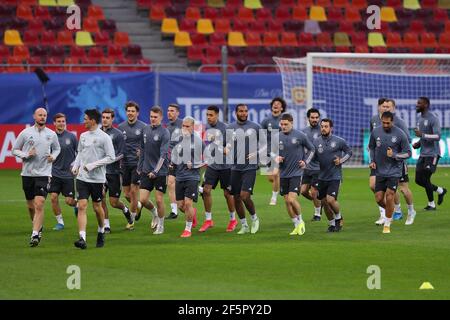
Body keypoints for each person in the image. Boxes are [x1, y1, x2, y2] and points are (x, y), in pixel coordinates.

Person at [12, 107, 60, 247]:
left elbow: (57, 148)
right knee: (31, 206)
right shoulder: (25, 133)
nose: (42, 117)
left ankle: (35, 234)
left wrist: (54, 156)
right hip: (27, 174)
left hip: (44, 174)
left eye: (44, 115)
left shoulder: (51, 134)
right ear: (34, 116)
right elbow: (14, 149)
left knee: (39, 203)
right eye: (40, 115)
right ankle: (37, 226)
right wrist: (26, 155)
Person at [72, 109, 115, 249]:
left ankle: (101, 230)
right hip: (82, 178)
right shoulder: (83, 136)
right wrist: (76, 165)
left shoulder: (104, 137)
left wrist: (93, 165)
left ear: (92, 120)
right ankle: (82, 238)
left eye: (85, 119)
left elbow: (111, 157)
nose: (83, 121)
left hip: (97, 179)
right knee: (82, 206)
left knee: (97, 208)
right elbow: (80, 152)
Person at [369, 111, 411, 234]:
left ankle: (387, 223)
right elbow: (371, 147)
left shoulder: (400, 134)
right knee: (378, 198)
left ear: (392, 121)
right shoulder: (376, 131)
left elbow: (408, 153)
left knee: (390, 195)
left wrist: (394, 155)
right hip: (380, 171)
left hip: (394, 171)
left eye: (388, 123)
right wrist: (372, 160)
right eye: (384, 123)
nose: (386, 125)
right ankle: (390, 212)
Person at [273, 113, 315, 236]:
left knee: (291, 199)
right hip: (284, 173)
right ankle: (296, 225)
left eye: (286, 124)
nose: (283, 126)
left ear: (292, 123)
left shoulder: (300, 135)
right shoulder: (277, 137)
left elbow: (312, 149)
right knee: (286, 201)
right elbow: (271, 152)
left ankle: (301, 221)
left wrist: (305, 162)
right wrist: (276, 157)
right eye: (281, 124)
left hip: (296, 173)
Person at [199, 105, 237, 232]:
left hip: (226, 166)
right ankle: (208, 220)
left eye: (211, 115)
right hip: (213, 165)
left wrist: (227, 147)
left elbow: (232, 142)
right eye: (207, 115)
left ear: (217, 115)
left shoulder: (225, 128)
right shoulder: (206, 128)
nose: (208, 117)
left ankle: (233, 220)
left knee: (227, 194)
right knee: (206, 191)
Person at [227, 104, 264, 235]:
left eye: (246, 111)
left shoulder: (255, 126)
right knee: (236, 197)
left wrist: (257, 153)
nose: (244, 113)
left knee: (244, 196)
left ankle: (254, 219)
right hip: (235, 167)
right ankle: (244, 225)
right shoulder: (230, 127)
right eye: (241, 111)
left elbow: (267, 145)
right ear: (236, 113)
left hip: (250, 167)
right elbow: (228, 144)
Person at [313, 118, 352, 233]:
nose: (323, 128)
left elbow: (349, 152)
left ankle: (338, 217)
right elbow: (314, 158)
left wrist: (341, 160)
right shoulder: (316, 142)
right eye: (322, 126)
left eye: (326, 126)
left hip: (335, 176)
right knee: (324, 202)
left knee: (330, 200)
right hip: (321, 177)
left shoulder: (339, 141)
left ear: (331, 128)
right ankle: (331, 224)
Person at [382, 99, 416, 223]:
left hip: (399, 162)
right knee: (390, 189)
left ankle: (411, 211)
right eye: (384, 106)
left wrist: (396, 154)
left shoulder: (399, 123)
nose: (386, 109)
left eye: (388, 107)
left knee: (403, 189)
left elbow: (408, 139)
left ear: (394, 108)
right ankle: (397, 211)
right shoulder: (381, 124)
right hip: (386, 163)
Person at [137, 106, 170, 235]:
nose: (153, 119)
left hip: (160, 172)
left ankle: (161, 226)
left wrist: (156, 171)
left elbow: (163, 155)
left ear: (161, 118)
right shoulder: (145, 130)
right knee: (143, 200)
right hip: (146, 170)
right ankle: (155, 213)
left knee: (159, 199)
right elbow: (142, 150)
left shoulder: (164, 133)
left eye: (155, 117)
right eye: (151, 116)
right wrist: (140, 167)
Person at [170, 116, 205, 238]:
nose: (184, 128)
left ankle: (188, 229)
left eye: (187, 126)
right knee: (181, 206)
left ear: (193, 127)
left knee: (188, 203)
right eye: (183, 126)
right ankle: (191, 214)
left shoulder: (198, 141)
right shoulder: (177, 139)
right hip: (179, 177)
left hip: (192, 177)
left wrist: (194, 165)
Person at [100, 108, 132, 233]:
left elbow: (123, 153)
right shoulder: (97, 133)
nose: (105, 120)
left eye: (108, 118)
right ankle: (106, 225)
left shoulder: (118, 134)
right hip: (100, 172)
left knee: (114, 202)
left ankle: (125, 209)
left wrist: (111, 159)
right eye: (103, 117)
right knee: (100, 198)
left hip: (113, 172)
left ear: (112, 119)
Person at [414, 97, 447, 210]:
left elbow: (438, 136)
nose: (417, 104)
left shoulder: (433, 118)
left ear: (426, 105)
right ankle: (440, 190)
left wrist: (422, 135)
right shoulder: (419, 118)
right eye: (417, 103)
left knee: (425, 177)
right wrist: (418, 143)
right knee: (418, 180)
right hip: (423, 154)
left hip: (433, 154)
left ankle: (431, 204)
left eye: (419, 103)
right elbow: (423, 136)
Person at [118, 101, 146, 229]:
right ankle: (138, 206)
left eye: (132, 111)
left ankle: (132, 220)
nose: (130, 113)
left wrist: (143, 152)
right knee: (127, 195)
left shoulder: (143, 127)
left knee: (134, 192)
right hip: (124, 163)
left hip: (137, 164)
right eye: (128, 111)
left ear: (137, 113)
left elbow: (149, 144)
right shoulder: (121, 127)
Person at [48, 113, 78, 231]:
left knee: (69, 201)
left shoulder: (71, 137)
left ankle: (76, 205)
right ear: (54, 123)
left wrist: (74, 165)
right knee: (53, 197)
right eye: (59, 121)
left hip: (68, 175)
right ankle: (60, 222)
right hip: (54, 173)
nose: (61, 123)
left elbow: (79, 153)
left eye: (63, 121)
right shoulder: (50, 137)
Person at [260, 97, 286, 206]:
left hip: (280, 151)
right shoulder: (266, 120)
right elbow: (261, 135)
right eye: (274, 104)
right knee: (271, 178)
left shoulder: (284, 120)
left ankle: (274, 197)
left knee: (276, 175)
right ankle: (282, 183)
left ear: (282, 107)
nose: (275, 105)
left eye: (278, 104)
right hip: (268, 152)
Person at [301, 108, 322, 221]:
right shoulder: (303, 131)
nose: (315, 120)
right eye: (312, 118)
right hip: (307, 167)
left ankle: (317, 213)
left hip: (318, 167)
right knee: (303, 191)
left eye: (316, 117)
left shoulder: (323, 130)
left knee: (314, 191)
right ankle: (319, 202)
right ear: (308, 118)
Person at [165, 103, 183, 219]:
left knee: (179, 183)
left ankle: (199, 189)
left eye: (172, 110)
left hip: (182, 159)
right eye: (168, 110)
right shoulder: (167, 126)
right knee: (170, 183)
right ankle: (174, 211)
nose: (169, 112)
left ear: (178, 113)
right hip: (171, 160)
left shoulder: (183, 124)